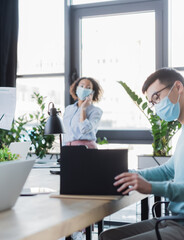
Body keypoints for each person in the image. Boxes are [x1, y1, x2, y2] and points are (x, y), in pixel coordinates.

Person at [100, 68, 184, 240]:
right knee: (107, 236)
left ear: (178, 87)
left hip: (181, 224)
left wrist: (151, 187)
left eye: (156, 97)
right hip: (173, 219)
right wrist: (130, 174)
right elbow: (169, 170)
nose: (156, 106)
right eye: (153, 102)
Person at [63, 77, 103, 149]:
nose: (84, 89)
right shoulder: (69, 109)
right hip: (67, 148)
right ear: (76, 88)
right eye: (81, 86)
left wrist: (83, 108)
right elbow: (65, 133)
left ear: (92, 92)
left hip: (86, 149)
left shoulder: (96, 111)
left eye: (88, 88)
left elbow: (84, 129)